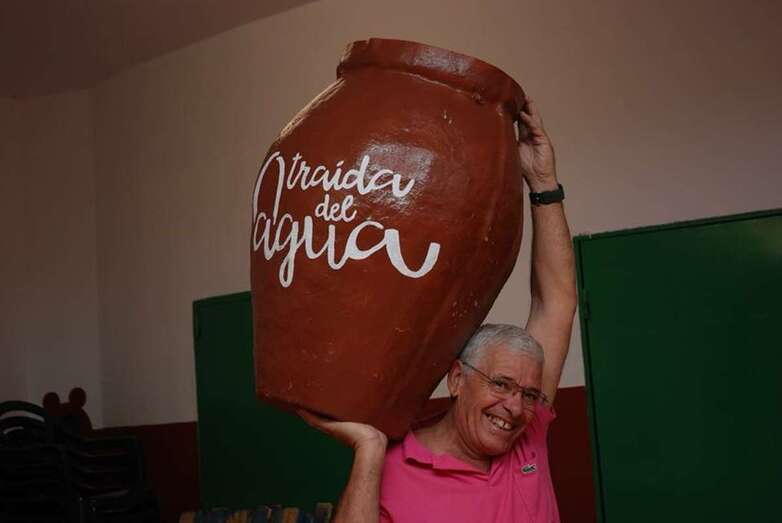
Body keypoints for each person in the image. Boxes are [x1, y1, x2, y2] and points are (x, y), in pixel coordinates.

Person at [300, 95, 577, 522]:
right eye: (501, 384)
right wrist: (369, 450)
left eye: (528, 394)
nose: (516, 407)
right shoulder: (396, 467)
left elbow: (556, 301)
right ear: (457, 379)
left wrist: (542, 181)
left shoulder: (529, 432)